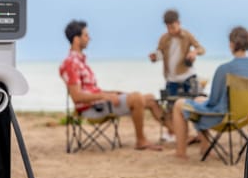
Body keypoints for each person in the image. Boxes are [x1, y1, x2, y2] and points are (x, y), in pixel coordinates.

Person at [60, 20, 170, 151]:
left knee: (150, 99)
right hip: (93, 109)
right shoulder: (71, 63)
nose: (89, 38)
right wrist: (105, 96)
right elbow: (77, 97)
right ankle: (141, 141)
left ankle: (177, 133)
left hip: (100, 103)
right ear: (76, 39)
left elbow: (92, 90)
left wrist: (114, 93)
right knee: (136, 98)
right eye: (86, 35)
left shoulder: (81, 62)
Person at [171, 26, 248, 159]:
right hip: (246, 116)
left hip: (222, 118)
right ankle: (204, 148)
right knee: (198, 100)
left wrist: (203, 101)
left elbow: (213, 101)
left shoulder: (224, 69)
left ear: (232, 44)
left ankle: (181, 152)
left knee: (179, 104)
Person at [149, 9, 206, 142]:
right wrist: (154, 57)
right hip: (171, 78)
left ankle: (200, 134)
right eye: (168, 27)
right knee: (171, 108)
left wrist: (194, 53)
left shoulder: (187, 35)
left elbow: (201, 49)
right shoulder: (164, 38)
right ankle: (176, 133)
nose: (171, 30)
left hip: (187, 77)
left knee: (195, 105)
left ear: (178, 23)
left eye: (173, 27)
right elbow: (159, 54)